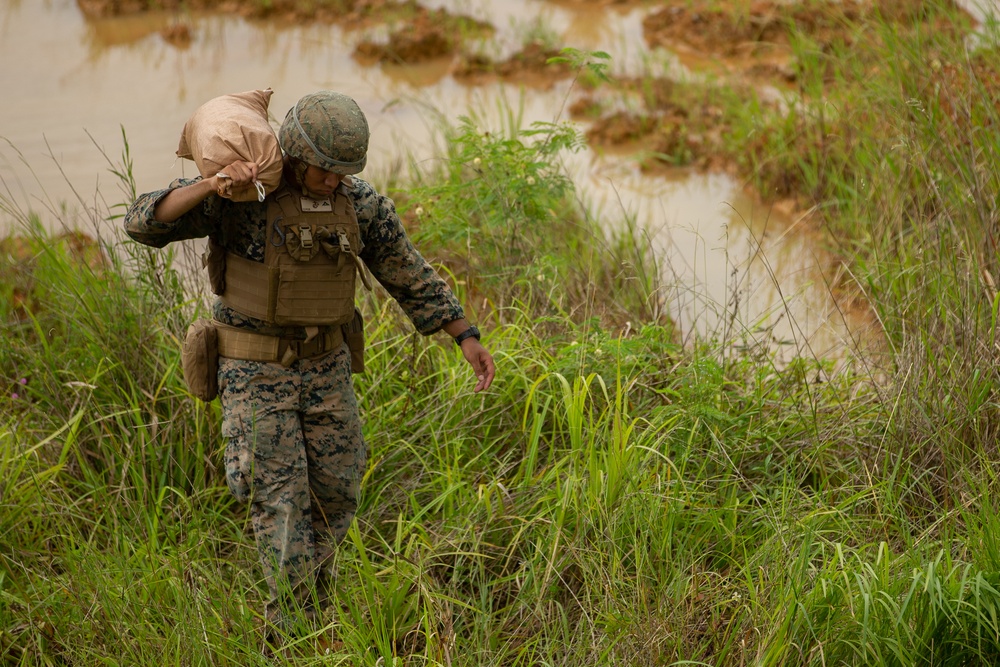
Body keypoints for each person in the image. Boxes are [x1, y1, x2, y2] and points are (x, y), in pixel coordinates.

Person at [123, 90, 495, 640]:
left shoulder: (357, 202)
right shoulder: (243, 195)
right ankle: (293, 631)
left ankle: (315, 603)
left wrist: (462, 333)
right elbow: (142, 223)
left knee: (339, 488)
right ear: (295, 155)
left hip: (327, 366)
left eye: (345, 172)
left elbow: (404, 269)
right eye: (325, 171)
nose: (334, 181)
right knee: (280, 498)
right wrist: (211, 182)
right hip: (255, 369)